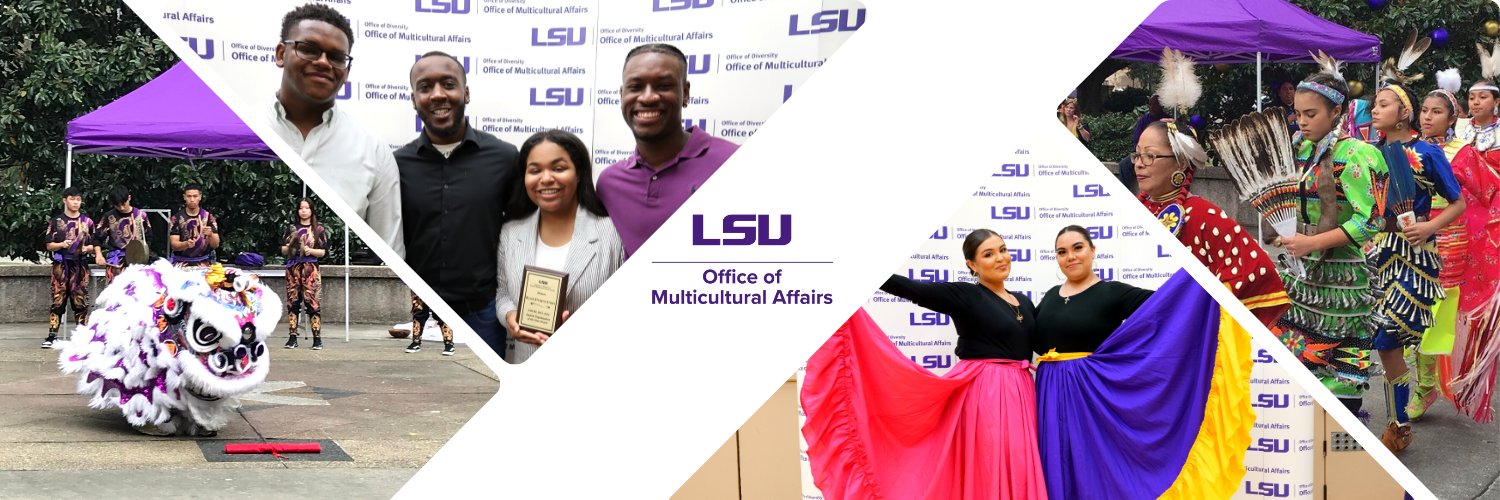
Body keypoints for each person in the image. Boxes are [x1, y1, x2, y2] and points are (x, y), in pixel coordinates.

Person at [802, 229, 1046, 499]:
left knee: (1020, 463)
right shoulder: (965, 295)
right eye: (988, 254)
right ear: (972, 265)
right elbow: (912, 289)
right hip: (987, 395)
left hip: (1022, 391)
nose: (1000, 258)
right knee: (990, 464)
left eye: (1002, 249)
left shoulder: (1023, 302)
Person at [1032, 226, 1254, 498]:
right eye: (1062, 252)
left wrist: (1205, 276)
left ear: (1092, 250)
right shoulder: (1050, 296)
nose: (1071, 257)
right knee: (1056, 462)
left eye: (1078, 248)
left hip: (1090, 400)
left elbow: (1167, 306)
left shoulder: (1111, 292)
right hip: (1050, 393)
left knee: (1090, 466)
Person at [1273, 69, 1390, 418]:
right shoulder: (1304, 149)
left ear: (1336, 112)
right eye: (1298, 113)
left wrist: (1312, 242)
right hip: (1303, 274)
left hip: (1344, 281)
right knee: (1298, 358)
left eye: (1312, 114)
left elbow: (1370, 221)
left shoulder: (1355, 154)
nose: (1302, 121)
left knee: (1342, 373)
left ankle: (1344, 449)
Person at [396, 51, 518, 358]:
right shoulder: (396, 166)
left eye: (448, 84)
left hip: (485, 314)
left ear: (465, 92)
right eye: (425, 87)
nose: (438, 94)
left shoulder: (504, 158)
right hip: (424, 315)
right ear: (414, 99)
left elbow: (523, 233)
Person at [1365, 79, 1465, 452]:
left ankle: (1399, 423)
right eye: (1374, 104)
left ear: (1402, 112)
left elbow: (1457, 203)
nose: (1375, 110)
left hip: (1416, 256)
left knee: (1389, 336)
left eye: (1385, 104)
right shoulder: (1369, 153)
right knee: (1382, 343)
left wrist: (1429, 226)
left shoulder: (1426, 152)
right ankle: (1399, 420)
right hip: (1378, 252)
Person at [264, 3, 404, 257]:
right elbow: (283, 250)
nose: (323, 63)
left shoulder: (373, 151)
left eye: (337, 57)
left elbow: (390, 252)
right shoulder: (248, 124)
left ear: (347, 71)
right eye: (308, 49)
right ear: (281, 54)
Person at [1133, 121, 1290, 327]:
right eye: (1137, 154)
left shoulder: (1203, 215)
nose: (1139, 163)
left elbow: (1258, 268)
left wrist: (1202, 310)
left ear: (1181, 162)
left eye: (1150, 156)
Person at [597, 43, 739, 258]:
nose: (647, 97)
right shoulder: (609, 183)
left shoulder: (732, 162)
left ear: (685, 93)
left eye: (663, 86)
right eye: (635, 87)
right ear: (621, 95)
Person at [498, 130, 623, 364]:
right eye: (535, 170)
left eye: (558, 168)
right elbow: (503, 293)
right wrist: (510, 316)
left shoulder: (612, 232)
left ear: (579, 173)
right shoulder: (510, 233)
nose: (546, 178)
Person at [1411, 75, 1469, 420]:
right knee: (1410, 309)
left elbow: (1483, 196)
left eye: (1437, 112)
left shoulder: (1464, 153)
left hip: (1449, 239)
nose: (1428, 116)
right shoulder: (1410, 148)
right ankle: (1420, 381)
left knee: (1436, 315)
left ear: (1452, 118)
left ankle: (1425, 385)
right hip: (1411, 236)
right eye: (1424, 110)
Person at [1446, 74, 1500, 423]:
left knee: (1486, 293)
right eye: (1472, 97)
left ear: (1496, 102)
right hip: (1461, 218)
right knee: (1455, 291)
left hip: (1493, 220)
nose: (1476, 102)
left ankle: (1479, 363)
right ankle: (1448, 372)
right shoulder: (1458, 135)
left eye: (1483, 97)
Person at [42, 187, 96, 348]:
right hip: (61, 265)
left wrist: (89, 248)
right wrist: (61, 244)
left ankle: (82, 335)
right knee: (58, 300)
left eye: (78, 199)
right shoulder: (56, 221)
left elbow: (95, 244)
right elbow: (49, 245)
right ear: (65, 200)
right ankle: (52, 336)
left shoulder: (88, 222)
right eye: (72, 199)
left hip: (80, 265)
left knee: (80, 301)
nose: (75, 202)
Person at [281, 197, 328, 350]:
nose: (304, 210)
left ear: (311, 210)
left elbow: (322, 252)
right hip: (293, 267)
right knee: (293, 302)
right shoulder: (291, 228)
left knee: (313, 302)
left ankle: (317, 339)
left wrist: (310, 250)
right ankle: (292, 337)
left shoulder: (318, 229)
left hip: (310, 267)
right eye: (301, 208)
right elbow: (283, 249)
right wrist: (290, 248)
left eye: (307, 208)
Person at [92, 184, 152, 283]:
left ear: (129, 198)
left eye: (124, 203)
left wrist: (142, 254)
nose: (122, 207)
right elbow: (97, 238)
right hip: (116, 260)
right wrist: (98, 255)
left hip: (138, 260)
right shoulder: (109, 216)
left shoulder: (141, 216)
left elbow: (149, 238)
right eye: (117, 205)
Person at [167, 184, 220, 268]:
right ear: (184, 197)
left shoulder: (209, 217)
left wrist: (211, 235)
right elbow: (174, 245)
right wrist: (185, 244)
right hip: (181, 262)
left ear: (200, 197)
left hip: (204, 262)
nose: (192, 200)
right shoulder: (176, 218)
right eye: (189, 196)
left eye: (195, 196)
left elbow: (215, 245)